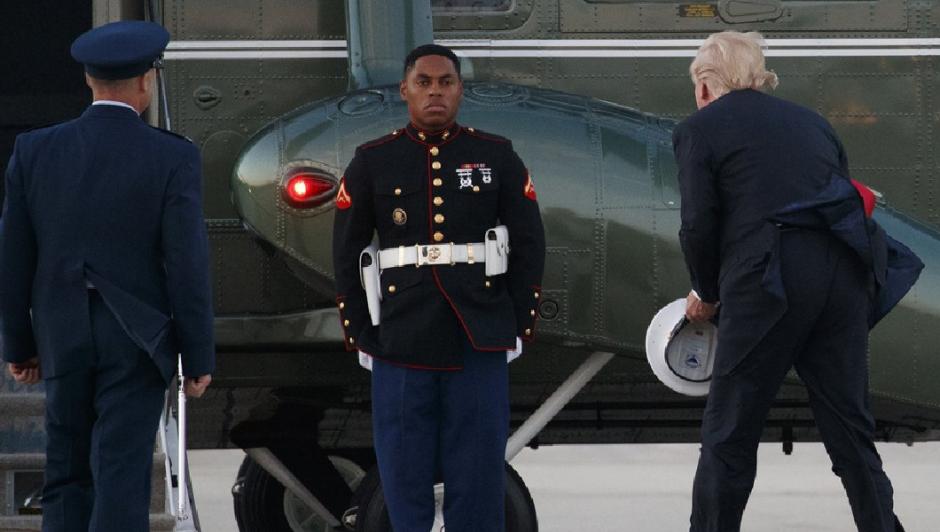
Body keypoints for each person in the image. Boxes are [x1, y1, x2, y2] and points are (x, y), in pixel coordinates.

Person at [674, 31, 921, 532]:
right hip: (841, 278)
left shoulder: (700, 128)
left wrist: (706, 291)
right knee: (851, 432)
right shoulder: (814, 123)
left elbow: (699, 222)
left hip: (769, 279)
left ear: (705, 85)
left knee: (729, 434)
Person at [0, 21, 215, 532]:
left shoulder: (35, 150)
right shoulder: (173, 155)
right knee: (121, 468)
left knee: (65, 470)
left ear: (89, 82)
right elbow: (187, 262)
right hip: (136, 338)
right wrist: (197, 354)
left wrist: (18, 345)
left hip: (62, 331)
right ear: (146, 82)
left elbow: (13, 254)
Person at [332, 43, 545, 531]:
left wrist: (516, 324)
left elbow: (530, 243)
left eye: (445, 82)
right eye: (424, 82)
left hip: (479, 335)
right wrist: (360, 333)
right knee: (403, 474)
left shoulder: (495, 155)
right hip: (401, 338)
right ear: (405, 90)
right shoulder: (373, 161)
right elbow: (346, 251)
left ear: (460, 91)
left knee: (478, 472)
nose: (435, 92)